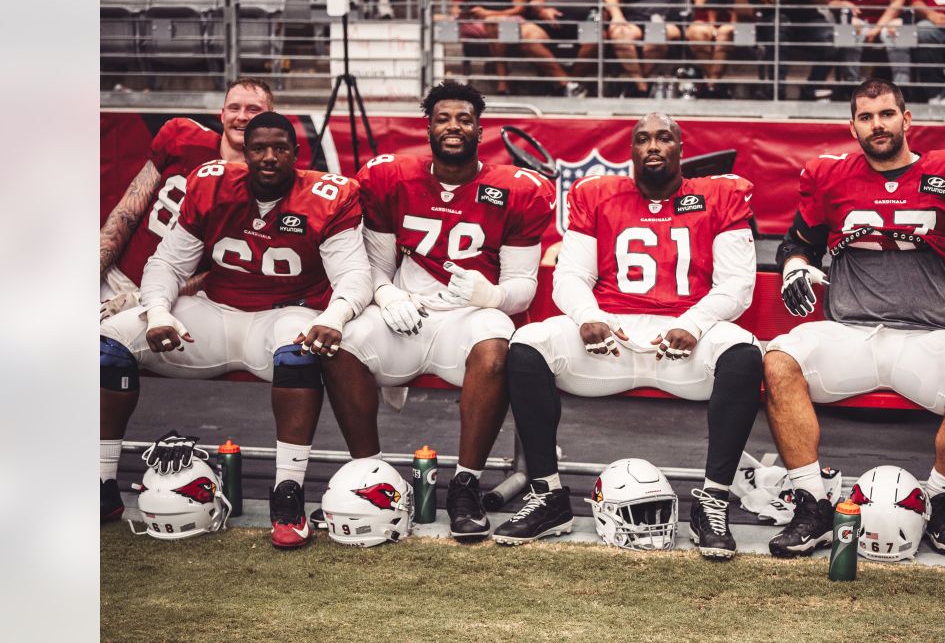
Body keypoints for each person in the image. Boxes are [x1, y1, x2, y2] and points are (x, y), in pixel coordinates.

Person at [493, 113, 762, 560]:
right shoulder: (595, 195)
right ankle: (549, 495)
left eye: (663, 138)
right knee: (526, 348)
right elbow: (571, 276)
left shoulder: (720, 194)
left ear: (681, 147)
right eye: (642, 139)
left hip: (685, 337)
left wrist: (693, 324)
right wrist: (587, 316)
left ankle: (713, 501)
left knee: (743, 356)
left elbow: (737, 283)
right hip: (610, 337)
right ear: (631, 151)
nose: (653, 146)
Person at [99, 112, 373, 551]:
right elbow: (168, 263)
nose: (269, 157)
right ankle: (102, 483)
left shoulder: (328, 195)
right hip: (212, 316)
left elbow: (354, 275)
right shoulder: (209, 183)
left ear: (297, 155)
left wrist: (332, 317)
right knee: (109, 344)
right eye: (259, 148)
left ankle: (288, 494)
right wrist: (158, 312)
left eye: (280, 148)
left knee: (298, 351)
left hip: (283, 315)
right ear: (244, 153)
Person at [764, 79, 945, 558]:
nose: (877, 125)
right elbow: (798, 241)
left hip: (929, 336)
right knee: (779, 359)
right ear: (853, 126)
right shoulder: (831, 177)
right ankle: (812, 504)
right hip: (849, 332)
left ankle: (938, 502)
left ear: (907, 119)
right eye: (866, 117)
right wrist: (794, 266)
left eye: (886, 114)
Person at [321, 81, 556, 541]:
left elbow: (523, 289)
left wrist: (488, 295)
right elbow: (375, 268)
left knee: (495, 346)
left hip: (468, 317)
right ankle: (370, 477)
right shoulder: (391, 177)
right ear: (428, 126)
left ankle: (464, 484)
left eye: (464, 119)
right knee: (341, 345)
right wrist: (387, 296)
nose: (454, 126)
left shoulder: (515, 189)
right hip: (404, 311)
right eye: (444, 118)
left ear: (479, 129)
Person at [100, 78, 276, 321]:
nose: (242, 116)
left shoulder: (266, 186)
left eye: (254, 110)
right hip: (115, 276)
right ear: (222, 114)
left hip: (172, 302)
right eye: (235, 108)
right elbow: (128, 211)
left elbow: (220, 273)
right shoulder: (182, 136)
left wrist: (148, 299)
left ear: (271, 120)